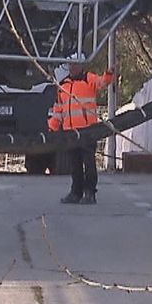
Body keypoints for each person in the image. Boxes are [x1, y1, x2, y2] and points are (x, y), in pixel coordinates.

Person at [48, 54, 115, 205]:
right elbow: (58, 109)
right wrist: (52, 127)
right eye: (70, 64)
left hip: (87, 131)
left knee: (89, 163)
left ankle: (90, 192)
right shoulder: (62, 85)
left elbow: (102, 82)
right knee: (74, 164)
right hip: (70, 133)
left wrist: (108, 74)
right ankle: (75, 192)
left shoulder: (88, 79)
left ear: (82, 65)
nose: (72, 67)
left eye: (75, 64)